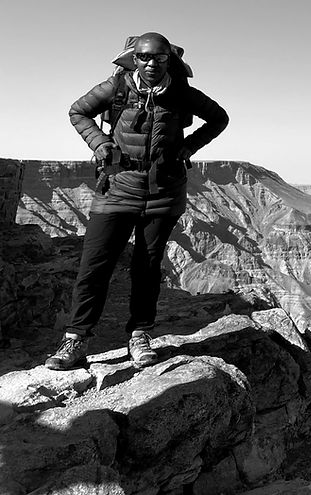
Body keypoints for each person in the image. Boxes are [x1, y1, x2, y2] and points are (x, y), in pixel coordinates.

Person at [46, 32, 228, 370]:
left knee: (148, 267)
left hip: (163, 191)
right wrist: (99, 144)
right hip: (117, 188)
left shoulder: (181, 93)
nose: (151, 64)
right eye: (144, 57)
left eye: (159, 58)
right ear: (134, 58)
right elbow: (78, 112)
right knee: (95, 265)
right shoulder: (115, 88)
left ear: (169, 61)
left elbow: (219, 118)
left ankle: (140, 334)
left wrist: (189, 148)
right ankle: (76, 339)